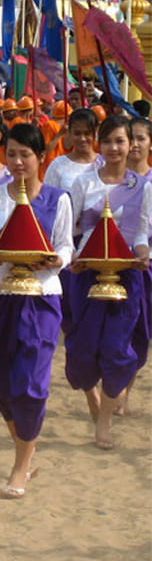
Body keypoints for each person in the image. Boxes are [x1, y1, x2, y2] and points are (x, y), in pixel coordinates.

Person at [0, 122, 73, 498]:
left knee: (31, 385)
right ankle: (26, 448)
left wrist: (52, 260)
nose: (17, 162)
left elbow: (66, 247)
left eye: (26, 155)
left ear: (40, 158)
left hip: (42, 297)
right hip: (1, 294)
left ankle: (20, 465)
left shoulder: (57, 199)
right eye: (12, 153)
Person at [65, 116, 151, 449]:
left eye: (120, 141)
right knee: (83, 347)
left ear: (131, 145)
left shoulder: (143, 187)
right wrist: (72, 257)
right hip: (85, 273)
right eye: (108, 142)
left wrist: (141, 256)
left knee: (118, 350)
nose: (114, 148)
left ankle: (104, 422)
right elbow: (70, 231)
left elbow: (141, 233)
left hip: (126, 275)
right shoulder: (84, 184)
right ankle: (91, 395)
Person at [122, 117, 152, 415]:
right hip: (107, 263)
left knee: (139, 333)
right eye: (129, 137)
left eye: (141, 138)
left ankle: (125, 392)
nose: (135, 144)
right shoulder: (105, 181)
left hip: (145, 266)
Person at [44, 109, 103, 192]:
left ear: (95, 132)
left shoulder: (104, 164)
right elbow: (48, 199)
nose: (82, 139)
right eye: (77, 133)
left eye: (87, 133)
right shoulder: (58, 165)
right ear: (69, 132)